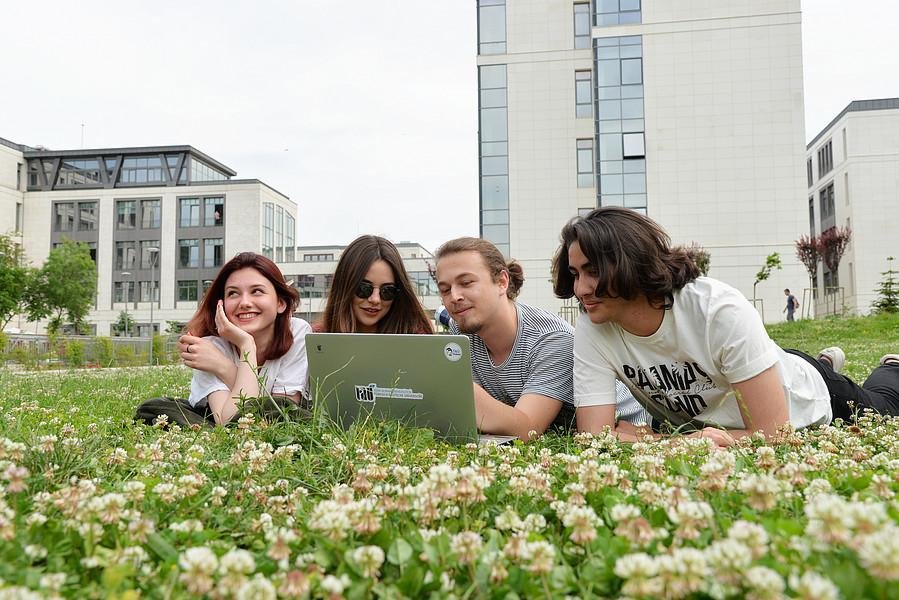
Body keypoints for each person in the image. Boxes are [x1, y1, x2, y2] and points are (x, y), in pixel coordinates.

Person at [552, 207, 899, 445]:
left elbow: (774, 434)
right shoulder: (593, 326)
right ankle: (820, 361)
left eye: (593, 271)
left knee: (884, 406)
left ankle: (887, 368)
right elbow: (596, 438)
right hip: (741, 384)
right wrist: (691, 440)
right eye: (575, 274)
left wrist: (663, 442)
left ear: (629, 264)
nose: (580, 289)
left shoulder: (716, 309)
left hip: (807, 397)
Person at [435, 237, 648, 441]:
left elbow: (528, 429)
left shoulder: (551, 340)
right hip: (564, 429)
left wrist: (455, 388)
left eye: (466, 283)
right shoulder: (461, 330)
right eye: (445, 289)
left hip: (625, 429)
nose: (454, 297)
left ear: (502, 281)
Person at [174, 252, 311, 426]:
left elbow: (281, 414)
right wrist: (247, 346)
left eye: (257, 291)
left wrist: (225, 367)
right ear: (221, 304)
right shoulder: (208, 348)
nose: (244, 302)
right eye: (233, 294)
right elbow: (230, 420)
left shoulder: (297, 332)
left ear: (280, 303)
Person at [316, 235, 433, 334]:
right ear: (345, 286)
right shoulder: (314, 340)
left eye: (387, 291)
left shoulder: (417, 339)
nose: (375, 299)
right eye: (364, 288)